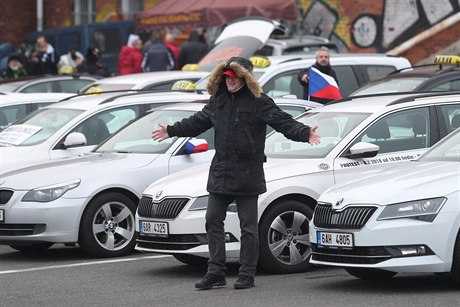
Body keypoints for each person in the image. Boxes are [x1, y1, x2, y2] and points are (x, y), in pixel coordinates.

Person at [152, 56, 321, 290]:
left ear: (245, 77)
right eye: (226, 78)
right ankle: (216, 272)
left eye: (233, 78)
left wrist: (305, 133)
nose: (229, 82)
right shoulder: (218, 101)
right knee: (212, 220)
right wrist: (171, 130)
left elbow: (283, 122)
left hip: (248, 173)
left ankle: (247, 274)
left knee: (248, 227)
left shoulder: (259, 101)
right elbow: (196, 122)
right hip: (221, 172)